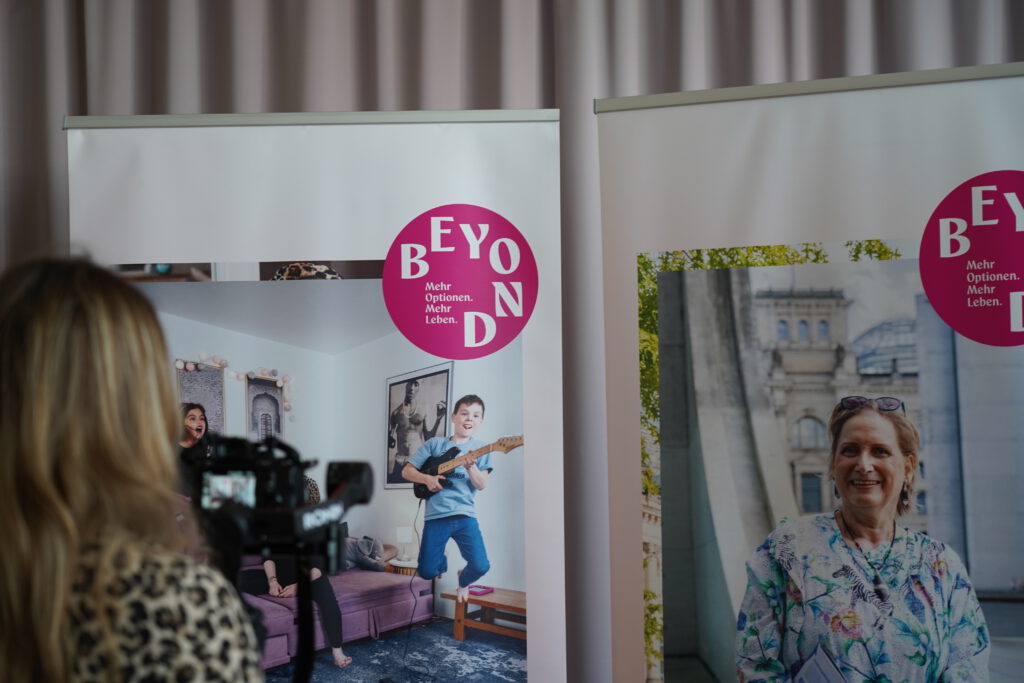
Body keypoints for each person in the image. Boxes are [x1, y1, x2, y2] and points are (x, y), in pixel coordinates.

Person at [0, 258, 262, 682]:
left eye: (201, 419)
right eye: (191, 416)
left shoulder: (209, 454)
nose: (197, 423)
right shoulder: (180, 602)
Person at [736, 396, 990, 682]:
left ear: (908, 467)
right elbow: (755, 665)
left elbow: (969, 665)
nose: (864, 464)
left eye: (880, 451)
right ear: (834, 464)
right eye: (850, 450)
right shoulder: (785, 550)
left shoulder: (942, 565)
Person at [236, 477, 353, 669]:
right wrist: (272, 581)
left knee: (328, 599)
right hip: (280, 577)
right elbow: (269, 558)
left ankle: (337, 650)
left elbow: (319, 566)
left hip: (311, 578)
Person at [402, 394, 492, 603]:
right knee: (426, 572)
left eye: (476, 415)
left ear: (481, 421)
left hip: (465, 516)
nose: (469, 419)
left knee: (481, 566)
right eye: (464, 413)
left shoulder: (483, 449)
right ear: (453, 417)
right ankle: (442, 557)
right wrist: (427, 479)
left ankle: (463, 580)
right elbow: (407, 471)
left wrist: (471, 467)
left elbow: (481, 484)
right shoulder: (435, 444)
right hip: (436, 516)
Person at [388, 378, 445, 482]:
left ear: (419, 388)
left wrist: (438, 420)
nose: (412, 388)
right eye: (410, 384)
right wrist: (389, 439)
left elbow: (428, 438)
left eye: (416, 384)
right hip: (400, 461)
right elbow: (389, 441)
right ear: (406, 385)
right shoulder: (395, 413)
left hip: (417, 461)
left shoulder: (423, 410)